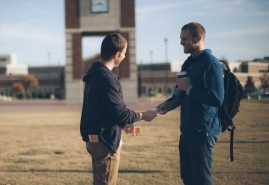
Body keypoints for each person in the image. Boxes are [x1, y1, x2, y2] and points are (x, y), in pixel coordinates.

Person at [80, 33, 157, 185]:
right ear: (117, 54)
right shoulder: (105, 78)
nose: (124, 56)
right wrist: (144, 115)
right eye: (124, 53)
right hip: (105, 141)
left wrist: (123, 124)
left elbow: (106, 108)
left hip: (96, 139)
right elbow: (121, 112)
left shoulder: (95, 74)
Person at [156, 22, 224, 185]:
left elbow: (217, 99)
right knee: (187, 177)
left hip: (203, 132)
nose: (180, 42)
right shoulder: (188, 63)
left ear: (198, 38)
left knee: (201, 180)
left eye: (184, 39)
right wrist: (169, 104)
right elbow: (182, 93)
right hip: (187, 130)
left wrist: (190, 88)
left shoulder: (211, 63)